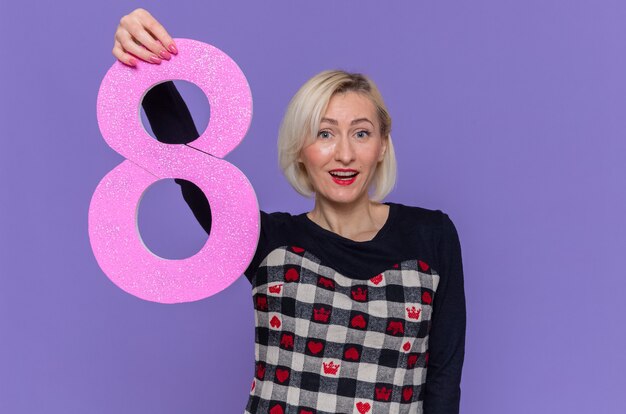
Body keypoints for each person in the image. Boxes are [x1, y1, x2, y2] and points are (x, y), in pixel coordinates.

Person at [113, 9, 466, 414]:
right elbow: (193, 172)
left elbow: (443, 382)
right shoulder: (267, 241)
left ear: (383, 144)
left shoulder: (432, 235)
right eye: (325, 133)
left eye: (362, 133)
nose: (345, 154)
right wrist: (145, 64)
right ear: (301, 149)